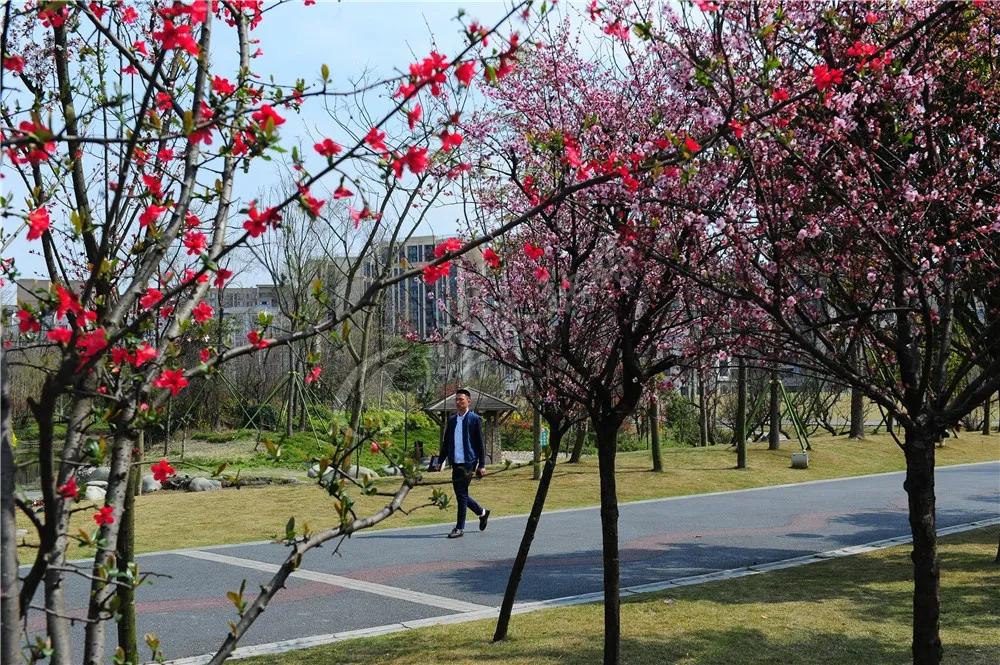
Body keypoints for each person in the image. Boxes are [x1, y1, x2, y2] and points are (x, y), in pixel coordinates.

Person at [440, 389, 490, 538]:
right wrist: (440, 460)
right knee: (461, 494)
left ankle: (459, 528)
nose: (458, 402)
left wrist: (482, 465)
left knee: (461, 494)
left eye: (461, 399)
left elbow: (480, 444)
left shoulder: (474, 419)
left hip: (469, 462)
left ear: (468, 401)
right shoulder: (452, 420)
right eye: (456, 399)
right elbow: (446, 442)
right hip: (455, 462)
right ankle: (482, 512)